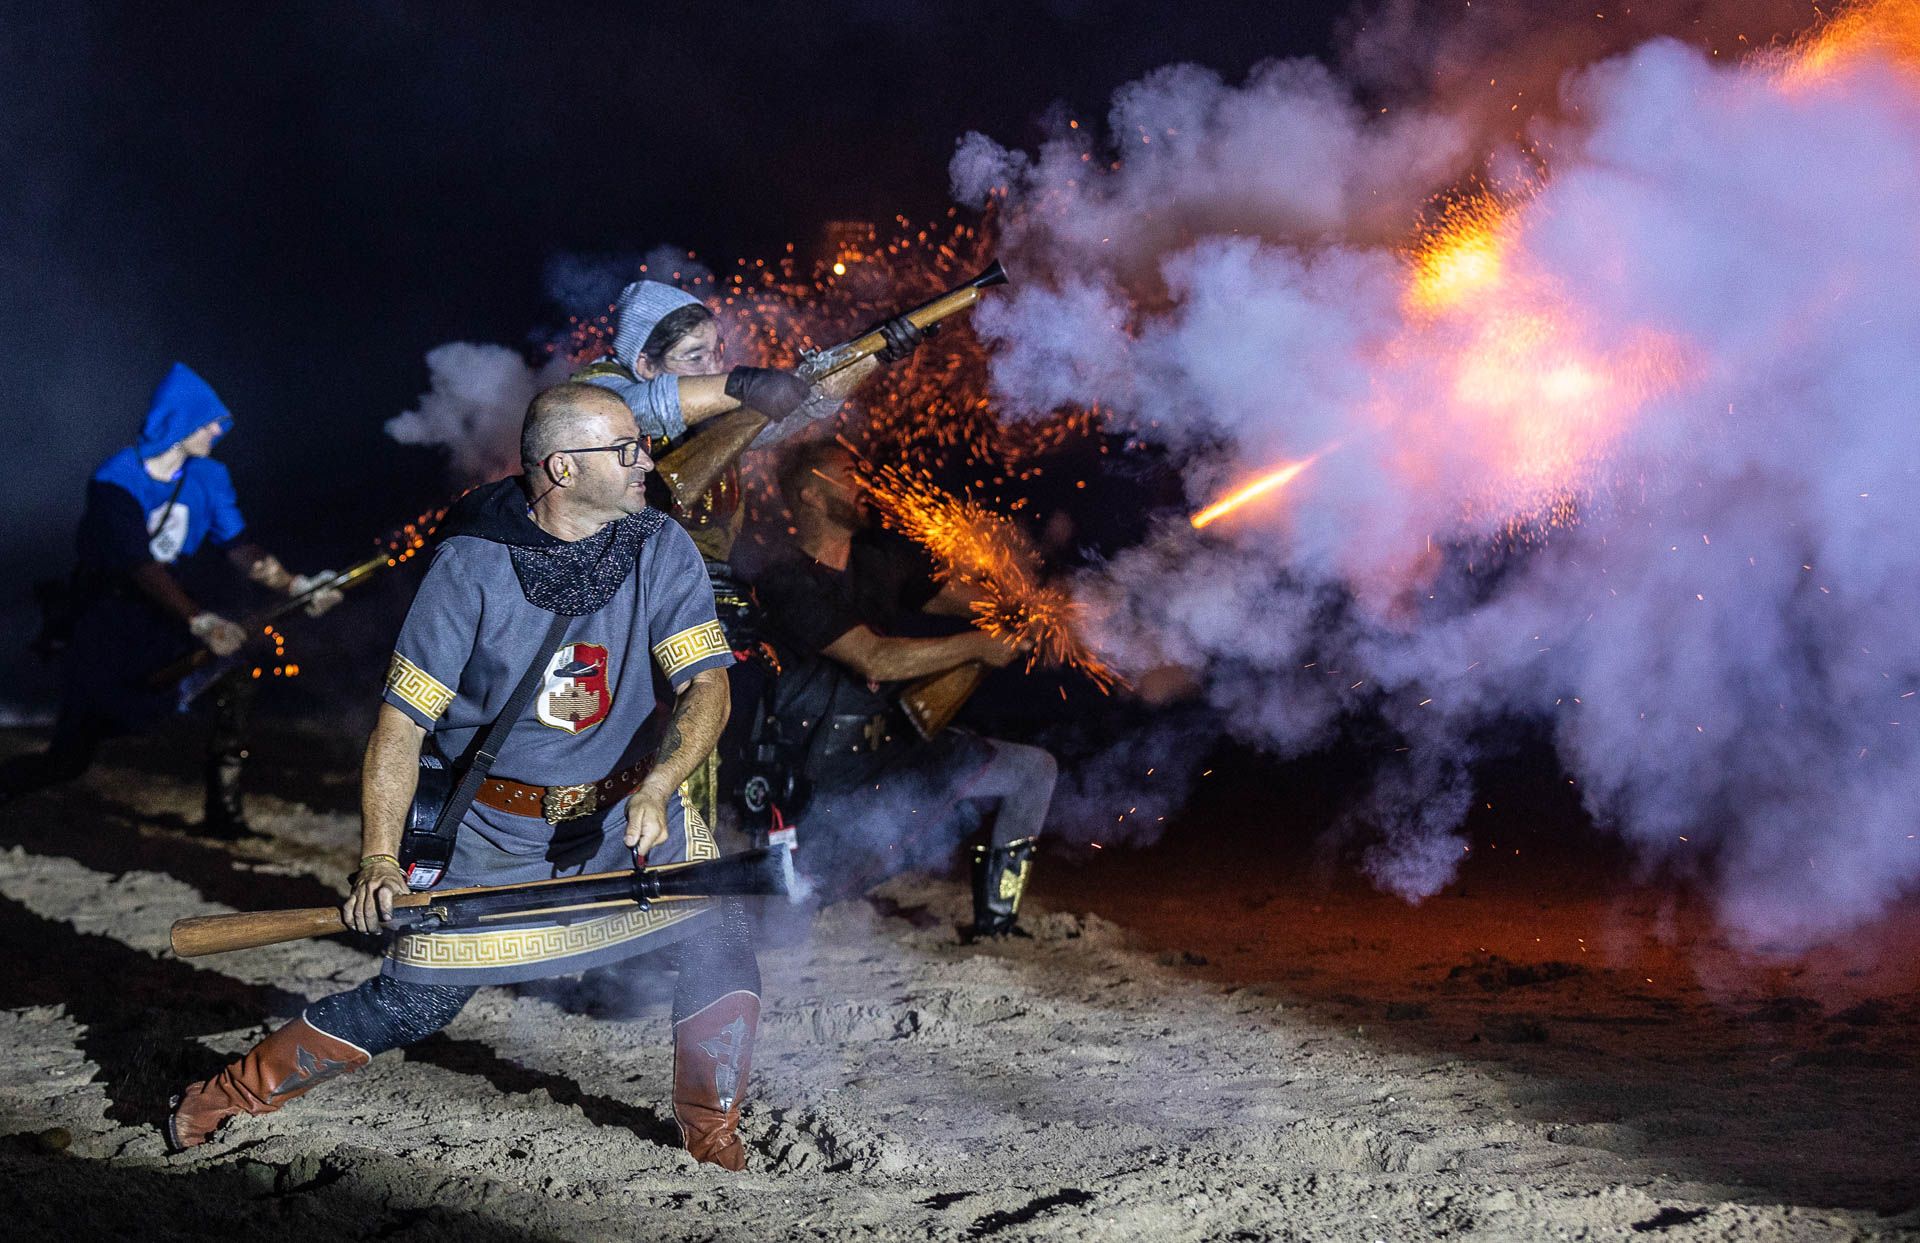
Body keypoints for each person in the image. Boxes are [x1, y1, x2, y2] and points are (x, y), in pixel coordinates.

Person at [166, 383, 764, 1168]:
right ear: (561, 468)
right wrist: (379, 860)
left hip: (626, 819)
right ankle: (227, 1094)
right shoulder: (469, 565)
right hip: (492, 834)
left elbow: (707, 685)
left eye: (641, 446)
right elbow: (401, 726)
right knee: (413, 1004)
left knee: (720, 932)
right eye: (625, 450)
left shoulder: (659, 542)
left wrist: (659, 784)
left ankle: (710, 1130)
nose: (645, 462)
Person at [572, 281, 924, 829]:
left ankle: (704, 840)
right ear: (643, 364)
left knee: (732, 720)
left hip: (699, 599)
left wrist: (874, 354)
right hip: (613, 606)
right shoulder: (596, 394)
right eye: (695, 357)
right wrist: (741, 384)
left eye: (716, 353)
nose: (714, 366)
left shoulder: (713, 415)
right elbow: (637, 408)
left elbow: (805, 404)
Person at [0, 362, 342, 835]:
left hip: (165, 619)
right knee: (70, 758)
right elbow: (139, 566)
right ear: (180, 421)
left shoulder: (210, 477)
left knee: (233, 678)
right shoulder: (115, 480)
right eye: (208, 422)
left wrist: (295, 585)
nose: (217, 431)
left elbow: (239, 548)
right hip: (108, 625)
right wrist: (202, 622)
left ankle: (224, 817)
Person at [751, 440, 1058, 938]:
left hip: (888, 755)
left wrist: (1026, 611)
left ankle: (997, 923)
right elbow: (876, 657)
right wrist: (978, 647)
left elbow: (966, 603)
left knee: (1032, 770)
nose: (864, 484)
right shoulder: (786, 581)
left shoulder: (879, 561)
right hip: (820, 782)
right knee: (795, 911)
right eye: (848, 474)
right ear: (810, 494)